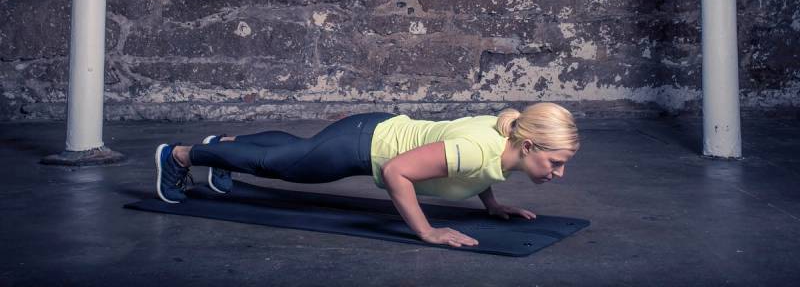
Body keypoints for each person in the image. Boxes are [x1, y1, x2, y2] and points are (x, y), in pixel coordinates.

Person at [155, 102, 580, 249]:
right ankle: (182, 155)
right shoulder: (478, 148)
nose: (558, 173)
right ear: (528, 146)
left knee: (294, 150)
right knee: (281, 166)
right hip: (361, 146)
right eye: (556, 162)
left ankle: (224, 146)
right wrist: (426, 231)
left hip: (371, 128)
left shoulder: (505, 138)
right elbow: (397, 172)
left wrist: (492, 204)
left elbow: (478, 171)